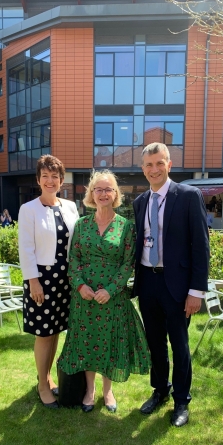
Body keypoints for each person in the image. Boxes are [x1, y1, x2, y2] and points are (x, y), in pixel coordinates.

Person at [57, 170, 151, 413]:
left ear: (116, 194)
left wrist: (110, 290)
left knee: (109, 342)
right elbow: (73, 259)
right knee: (87, 342)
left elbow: (128, 263)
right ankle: (89, 390)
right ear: (91, 194)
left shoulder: (126, 227)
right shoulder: (82, 224)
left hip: (112, 298)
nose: (103, 194)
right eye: (98, 189)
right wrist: (80, 286)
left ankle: (108, 391)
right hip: (84, 298)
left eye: (108, 189)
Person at [132, 143, 209, 427]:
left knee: (179, 345)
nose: (154, 169)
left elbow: (201, 245)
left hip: (178, 285)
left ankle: (181, 401)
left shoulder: (189, 195)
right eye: (149, 165)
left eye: (159, 163)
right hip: (148, 281)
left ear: (169, 164)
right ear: (143, 169)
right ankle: (160, 390)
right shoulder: (140, 202)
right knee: (155, 343)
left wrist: (196, 291)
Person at [18, 155, 79, 409]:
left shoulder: (70, 206)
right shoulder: (28, 209)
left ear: (61, 180)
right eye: (45, 176)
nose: (50, 180)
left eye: (55, 176)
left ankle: (47, 376)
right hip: (41, 279)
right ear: (38, 180)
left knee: (55, 331)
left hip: (66, 279)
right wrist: (33, 281)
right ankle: (42, 384)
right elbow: (26, 249)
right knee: (44, 333)